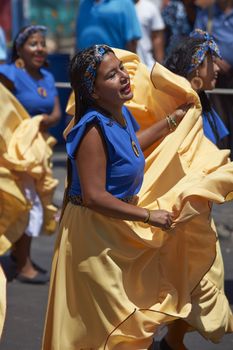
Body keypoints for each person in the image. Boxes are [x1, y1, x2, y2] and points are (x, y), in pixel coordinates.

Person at [42, 44, 233, 349]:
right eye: (111, 75)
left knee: (128, 321)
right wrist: (149, 216)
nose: (123, 77)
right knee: (110, 325)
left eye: (121, 69)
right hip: (94, 236)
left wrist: (171, 122)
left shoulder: (120, 115)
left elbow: (131, 149)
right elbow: (93, 197)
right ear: (92, 91)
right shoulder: (92, 129)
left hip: (114, 229)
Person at [0, 25, 61, 284]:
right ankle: (22, 262)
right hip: (15, 153)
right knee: (24, 202)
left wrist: (45, 119)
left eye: (42, 43)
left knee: (31, 201)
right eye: (33, 44)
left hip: (39, 151)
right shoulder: (8, 74)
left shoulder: (47, 76)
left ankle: (19, 256)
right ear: (20, 49)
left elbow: (57, 112)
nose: (40, 48)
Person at [164, 28, 229, 148]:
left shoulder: (203, 105)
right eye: (212, 62)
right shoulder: (182, 111)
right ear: (196, 68)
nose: (217, 68)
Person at [194, 0, 233, 159]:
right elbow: (196, 44)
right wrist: (216, 60)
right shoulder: (206, 15)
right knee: (222, 122)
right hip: (217, 80)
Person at [76, 0, 142, 53]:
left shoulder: (124, 2)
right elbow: (79, 38)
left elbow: (132, 41)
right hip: (86, 66)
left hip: (114, 66)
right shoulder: (83, 3)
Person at [134, 0, 165, 68]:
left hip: (148, 64)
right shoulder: (116, 9)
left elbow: (157, 38)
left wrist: (160, 66)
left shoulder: (150, 8)